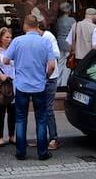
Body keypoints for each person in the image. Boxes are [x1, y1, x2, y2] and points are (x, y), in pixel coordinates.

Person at [1, 15, 56, 161]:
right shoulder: (45, 42)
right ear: (37, 25)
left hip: (22, 86)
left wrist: (18, 62)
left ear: (25, 26)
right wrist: (46, 76)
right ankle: (43, 153)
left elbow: (5, 60)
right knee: (41, 119)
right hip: (39, 85)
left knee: (20, 119)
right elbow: (51, 65)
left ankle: (20, 152)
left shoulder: (18, 41)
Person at [37, 13, 62, 152]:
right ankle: (42, 137)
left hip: (50, 77)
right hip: (40, 77)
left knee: (48, 109)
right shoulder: (39, 37)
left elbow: (56, 54)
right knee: (41, 108)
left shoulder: (48, 37)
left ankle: (54, 138)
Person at [0, 27, 16, 147]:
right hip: (1, 85)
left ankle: (12, 135)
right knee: (0, 112)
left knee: (13, 112)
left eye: (10, 37)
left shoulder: (14, 50)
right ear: (0, 38)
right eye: (6, 37)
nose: (9, 39)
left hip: (13, 83)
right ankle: (0, 137)